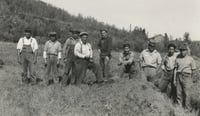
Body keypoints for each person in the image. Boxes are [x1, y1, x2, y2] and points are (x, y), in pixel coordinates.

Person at [174, 43, 196, 109]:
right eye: (181, 50)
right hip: (178, 75)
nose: (182, 52)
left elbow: (193, 70)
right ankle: (179, 107)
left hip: (187, 76)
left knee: (187, 93)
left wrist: (191, 79)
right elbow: (175, 69)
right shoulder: (177, 58)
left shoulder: (191, 59)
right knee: (178, 93)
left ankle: (187, 108)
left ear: (186, 50)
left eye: (183, 50)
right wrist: (174, 79)